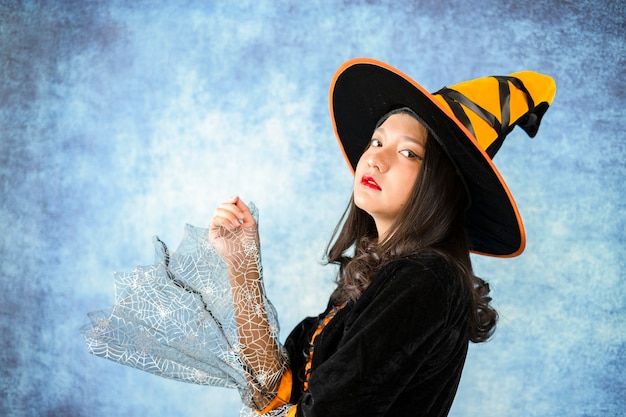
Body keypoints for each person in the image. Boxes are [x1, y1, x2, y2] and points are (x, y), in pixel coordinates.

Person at [81, 58, 556, 417]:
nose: (375, 159)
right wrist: (241, 268)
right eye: (377, 141)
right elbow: (275, 389)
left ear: (443, 186)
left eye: (408, 153)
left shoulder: (427, 280)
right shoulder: (376, 282)